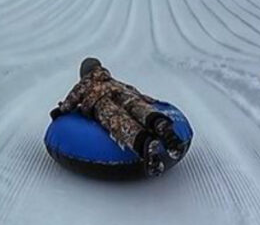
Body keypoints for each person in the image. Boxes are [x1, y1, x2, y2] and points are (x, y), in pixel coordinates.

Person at [49, 58, 185, 176]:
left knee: (117, 119)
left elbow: (72, 99)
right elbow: (133, 91)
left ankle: (145, 143)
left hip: (100, 100)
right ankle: (159, 123)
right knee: (137, 107)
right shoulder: (111, 80)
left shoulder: (85, 83)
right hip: (122, 93)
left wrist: (60, 110)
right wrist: (150, 101)